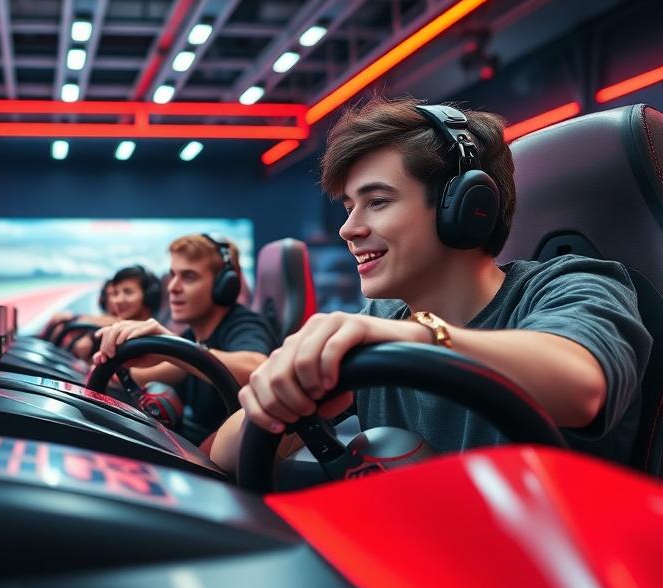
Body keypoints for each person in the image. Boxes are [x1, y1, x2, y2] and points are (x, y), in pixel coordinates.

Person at [211, 96, 651, 473]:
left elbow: (581, 385)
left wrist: (421, 338)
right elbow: (227, 456)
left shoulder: (575, 283)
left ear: (463, 206)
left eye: (377, 202)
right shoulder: (384, 320)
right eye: (349, 207)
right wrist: (279, 397)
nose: (349, 229)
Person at [94, 234, 278, 446]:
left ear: (224, 285)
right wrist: (115, 364)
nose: (173, 287)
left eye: (188, 277)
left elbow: (258, 368)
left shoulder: (244, 324)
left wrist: (169, 344)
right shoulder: (193, 335)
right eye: (173, 275)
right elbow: (158, 371)